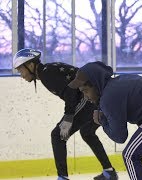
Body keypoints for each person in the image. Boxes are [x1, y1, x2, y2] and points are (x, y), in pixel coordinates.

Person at [13, 48, 118, 180]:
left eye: (20, 70)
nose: (21, 75)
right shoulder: (47, 70)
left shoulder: (46, 74)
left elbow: (71, 92)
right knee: (87, 132)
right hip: (97, 97)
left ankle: (62, 177)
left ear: (30, 65)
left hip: (89, 98)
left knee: (57, 135)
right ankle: (109, 172)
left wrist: (68, 118)